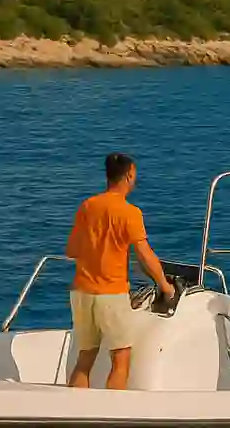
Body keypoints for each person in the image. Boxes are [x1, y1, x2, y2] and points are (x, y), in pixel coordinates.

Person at [64, 152, 175, 390]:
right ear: (128, 176)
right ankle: (112, 417)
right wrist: (165, 286)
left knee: (84, 360)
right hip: (111, 294)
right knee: (121, 360)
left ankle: (73, 413)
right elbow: (145, 254)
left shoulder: (87, 206)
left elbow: (72, 250)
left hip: (81, 292)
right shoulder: (130, 213)